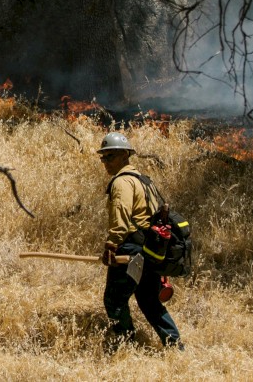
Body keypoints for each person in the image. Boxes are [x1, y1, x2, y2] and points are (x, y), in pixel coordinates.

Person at [97, 132, 182, 350]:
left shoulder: (121, 182)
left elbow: (121, 218)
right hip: (149, 250)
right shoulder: (144, 180)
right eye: (103, 157)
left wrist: (111, 245)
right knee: (149, 301)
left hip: (129, 249)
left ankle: (125, 345)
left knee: (114, 300)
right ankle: (175, 346)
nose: (106, 162)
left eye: (111, 156)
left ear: (125, 155)